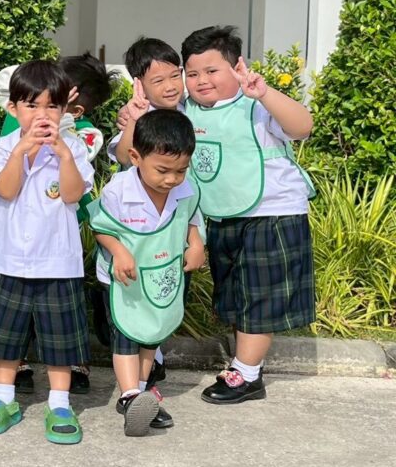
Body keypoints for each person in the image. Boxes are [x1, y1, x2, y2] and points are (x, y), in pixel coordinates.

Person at [181, 26, 314, 404]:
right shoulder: (187, 112)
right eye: (193, 73)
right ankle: (245, 366)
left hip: (272, 212)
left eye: (212, 71)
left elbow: (302, 126)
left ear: (236, 67)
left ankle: (246, 374)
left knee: (260, 298)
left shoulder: (256, 104)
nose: (202, 80)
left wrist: (265, 92)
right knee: (239, 297)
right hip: (223, 216)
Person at [0, 60, 93, 445]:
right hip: (9, 259)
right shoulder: (1, 147)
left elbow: (72, 195)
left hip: (58, 261)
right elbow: (6, 190)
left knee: (60, 339)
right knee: (6, 336)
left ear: (64, 110)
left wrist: (64, 156)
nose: (42, 114)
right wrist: (22, 151)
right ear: (13, 109)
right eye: (32, 105)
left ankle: (60, 403)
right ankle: (4, 397)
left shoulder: (74, 148)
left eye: (52, 106)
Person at [88, 109, 205, 436]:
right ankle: (129, 394)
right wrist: (119, 251)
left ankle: (140, 392)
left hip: (160, 276)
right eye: (163, 170)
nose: (172, 179)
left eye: (181, 170)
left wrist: (196, 243)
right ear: (136, 157)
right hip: (123, 278)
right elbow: (101, 227)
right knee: (127, 334)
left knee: (152, 333)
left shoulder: (186, 190)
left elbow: (191, 220)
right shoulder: (119, 190)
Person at [57, 53, 118, 394]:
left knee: (69, 294)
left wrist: (59, 116)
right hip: (24, 224)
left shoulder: (86, 133)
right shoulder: (19, 115)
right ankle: (20, 360)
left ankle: (77, 359)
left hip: (66, 224)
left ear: (76, 106)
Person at [111, 37, 186, 165]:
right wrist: (133, 120)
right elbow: (123, 158)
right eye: (158, 81)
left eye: (175, 76)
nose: (170, 87)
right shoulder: (141, 116)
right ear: (139, 85)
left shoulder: (188, 105)